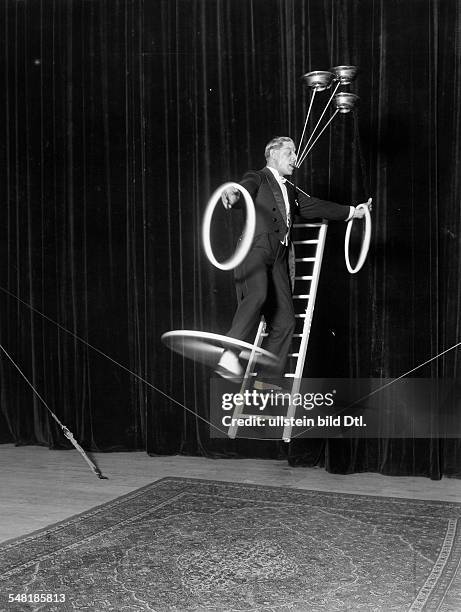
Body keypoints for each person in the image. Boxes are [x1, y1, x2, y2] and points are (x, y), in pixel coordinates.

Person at [216, 136, 371, 381]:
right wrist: (233, 193)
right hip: (255, 249)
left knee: (286, 321)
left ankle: (267, 382)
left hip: (278, 257)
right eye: (290, 153)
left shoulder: (290, 189)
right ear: (273, 154)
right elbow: (242, 190)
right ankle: (229, 353)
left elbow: (314, 206)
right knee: (257, 295)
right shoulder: (258, 177)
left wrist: (353, 212)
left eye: (295, 153)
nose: (295, 158)